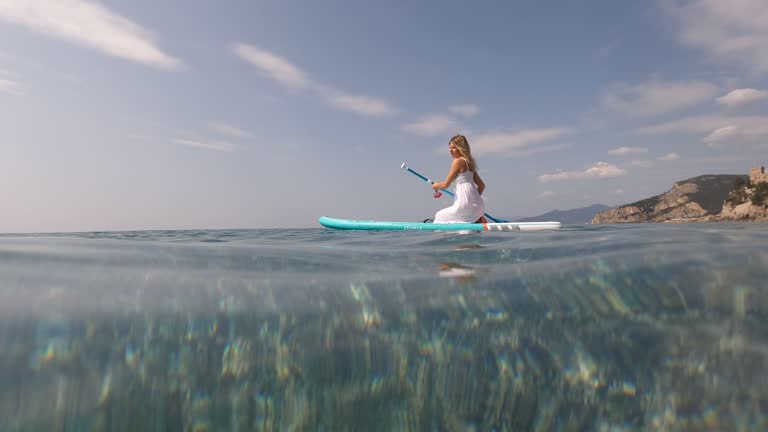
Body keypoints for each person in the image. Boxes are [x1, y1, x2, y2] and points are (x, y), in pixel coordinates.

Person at [432, 135, 487, 223]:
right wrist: (473, 201)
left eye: (453, 148)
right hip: (479, 206)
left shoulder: (458, 161)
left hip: (464, 207)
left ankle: (472, 219)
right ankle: (476, 219)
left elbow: (446, 184)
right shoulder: (469, 163)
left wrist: (436, 185)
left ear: (461, 148)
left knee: (439, 215)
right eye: (450, 148)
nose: (450, 150)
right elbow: (482, 186)